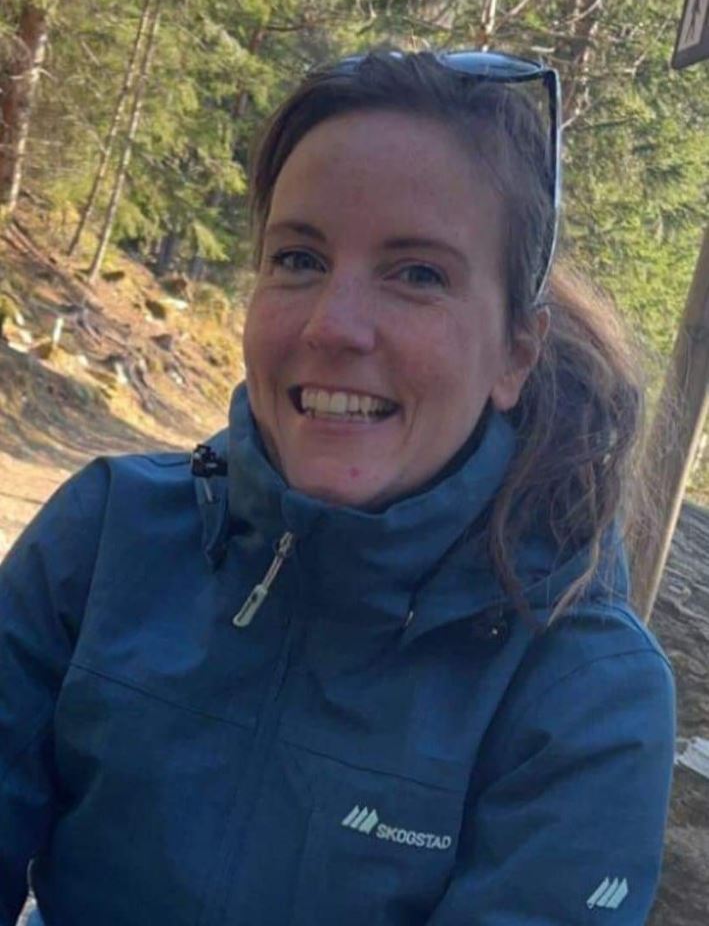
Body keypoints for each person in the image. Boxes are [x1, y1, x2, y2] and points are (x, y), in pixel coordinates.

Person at [0, 50, 675, 925]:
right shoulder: (105, 540)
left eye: (417, 274)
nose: (333, 325)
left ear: (515, 353)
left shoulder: (581, 691)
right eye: (298, 257)